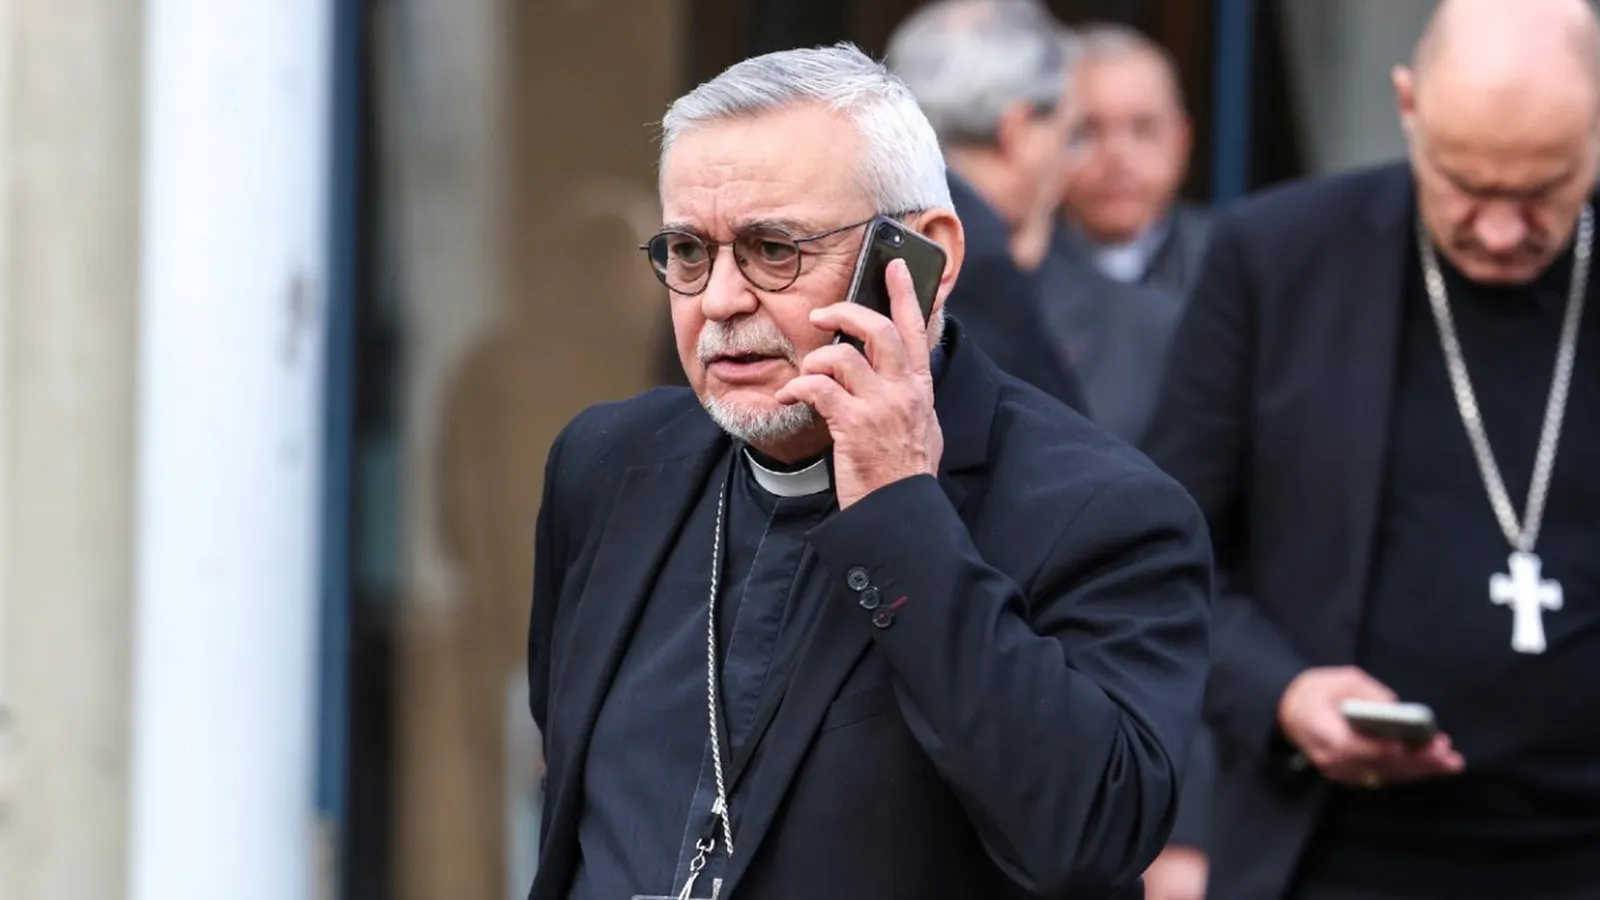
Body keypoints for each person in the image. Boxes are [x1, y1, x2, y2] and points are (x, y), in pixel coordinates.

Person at [527, 42, 1212, 900]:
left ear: (926, 257)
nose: (721, 300)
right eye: (689, 252)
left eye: (773, 249)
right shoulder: (608, 466)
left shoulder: (1104, 511)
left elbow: (1087, 837)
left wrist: (902, 512)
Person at [1144, 1, 1600, 898]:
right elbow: (1163, 550)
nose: (1500, 230)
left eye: (1542, 189)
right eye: (1465, 184)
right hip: (1337, 855)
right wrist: (1282, 693)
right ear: (1408, 106)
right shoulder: (1279, 259)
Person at [886, 0, 1089, 412]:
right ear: (1017, 130)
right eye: (1068, 135)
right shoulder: (971, 260)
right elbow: (1044, 432)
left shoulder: (875, 217)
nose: (1070, 160)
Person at [1057, 23, 1209, 297]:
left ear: (1182, 141)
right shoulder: (1014, 269)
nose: (1117, 157)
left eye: (1143, 128)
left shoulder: (1229, 265)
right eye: (1087, 131)